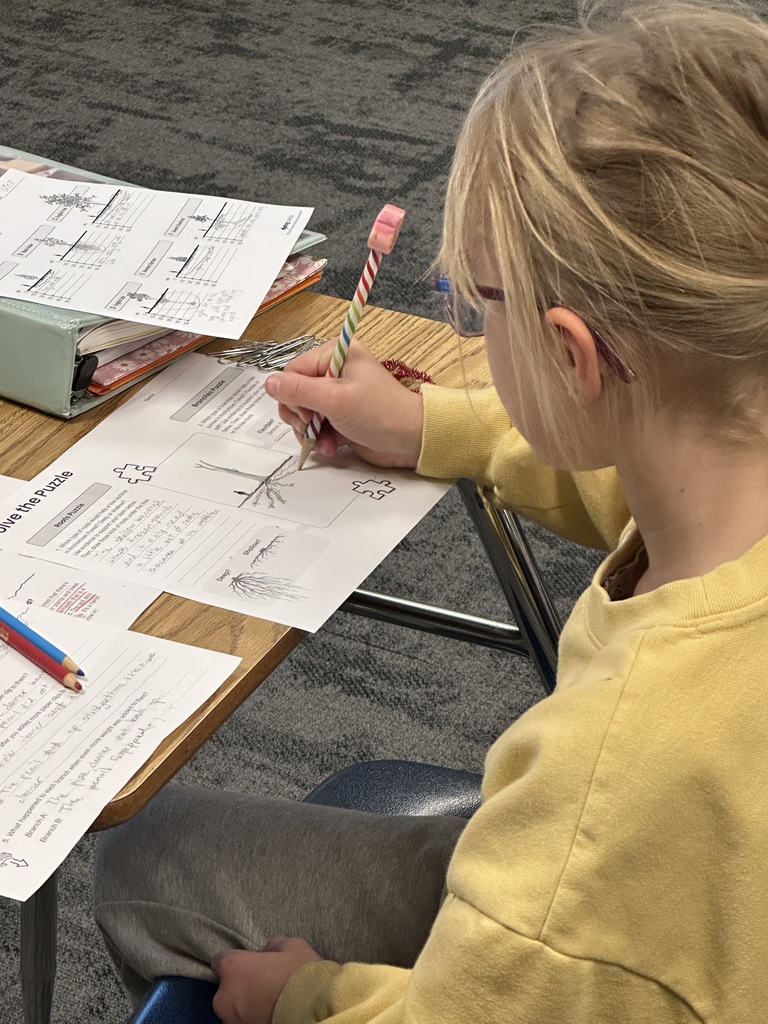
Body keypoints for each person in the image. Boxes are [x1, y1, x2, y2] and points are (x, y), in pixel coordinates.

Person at [94, 2, 768, 1020]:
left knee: (139, 867)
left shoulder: (612, 777)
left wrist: (306, 996)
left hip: (587, 914)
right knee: (166, 850)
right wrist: (428, 425)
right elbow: (630, 463)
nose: (467, 319)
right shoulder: (727, 447)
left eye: (474, 301)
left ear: (573, 355)